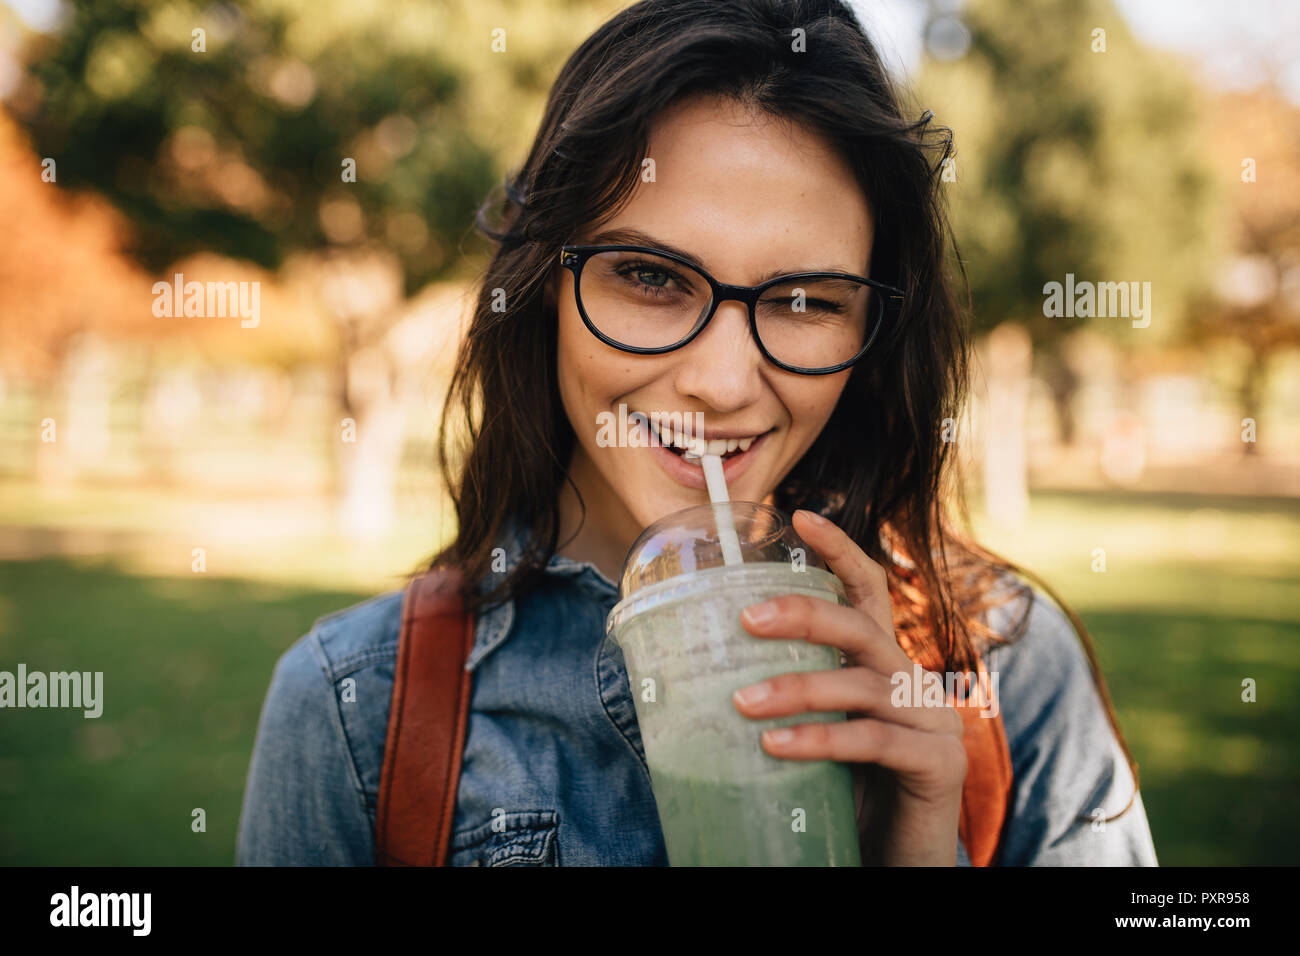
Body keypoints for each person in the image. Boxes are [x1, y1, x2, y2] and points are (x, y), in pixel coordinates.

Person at [236, 0, 1157, 866]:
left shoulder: (1004, 671)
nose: (720, 382)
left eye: (803, 300)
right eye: (649, 276)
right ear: (548, 284)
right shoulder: (360, 711)